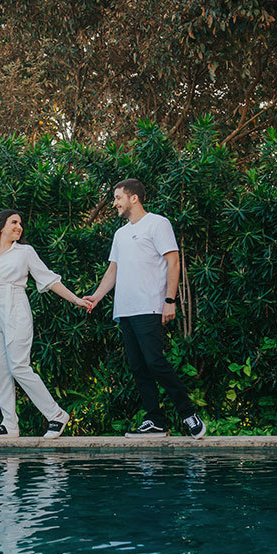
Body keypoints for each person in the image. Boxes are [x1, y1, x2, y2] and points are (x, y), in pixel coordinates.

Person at [82, 179, 206, 439]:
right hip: (125, 310)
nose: (114, 203)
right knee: (138, 366)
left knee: (155, 362)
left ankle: (188, 413)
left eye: (117, 198)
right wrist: (97, 296)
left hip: (149, 306)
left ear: (134, 198)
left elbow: (173, 262)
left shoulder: (158, 224)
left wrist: (169, 300)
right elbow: (113, 269)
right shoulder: (121, 234)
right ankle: (155, 420)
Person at [0, 209, 86, 438]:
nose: (19, 227)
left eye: (20, 223)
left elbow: (48, 279)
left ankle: (56, 415)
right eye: (14, 222)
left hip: (16, 306)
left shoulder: (25, 252)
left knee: (19, 366)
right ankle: (9, 424)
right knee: (0, 370)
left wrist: (76, 300)